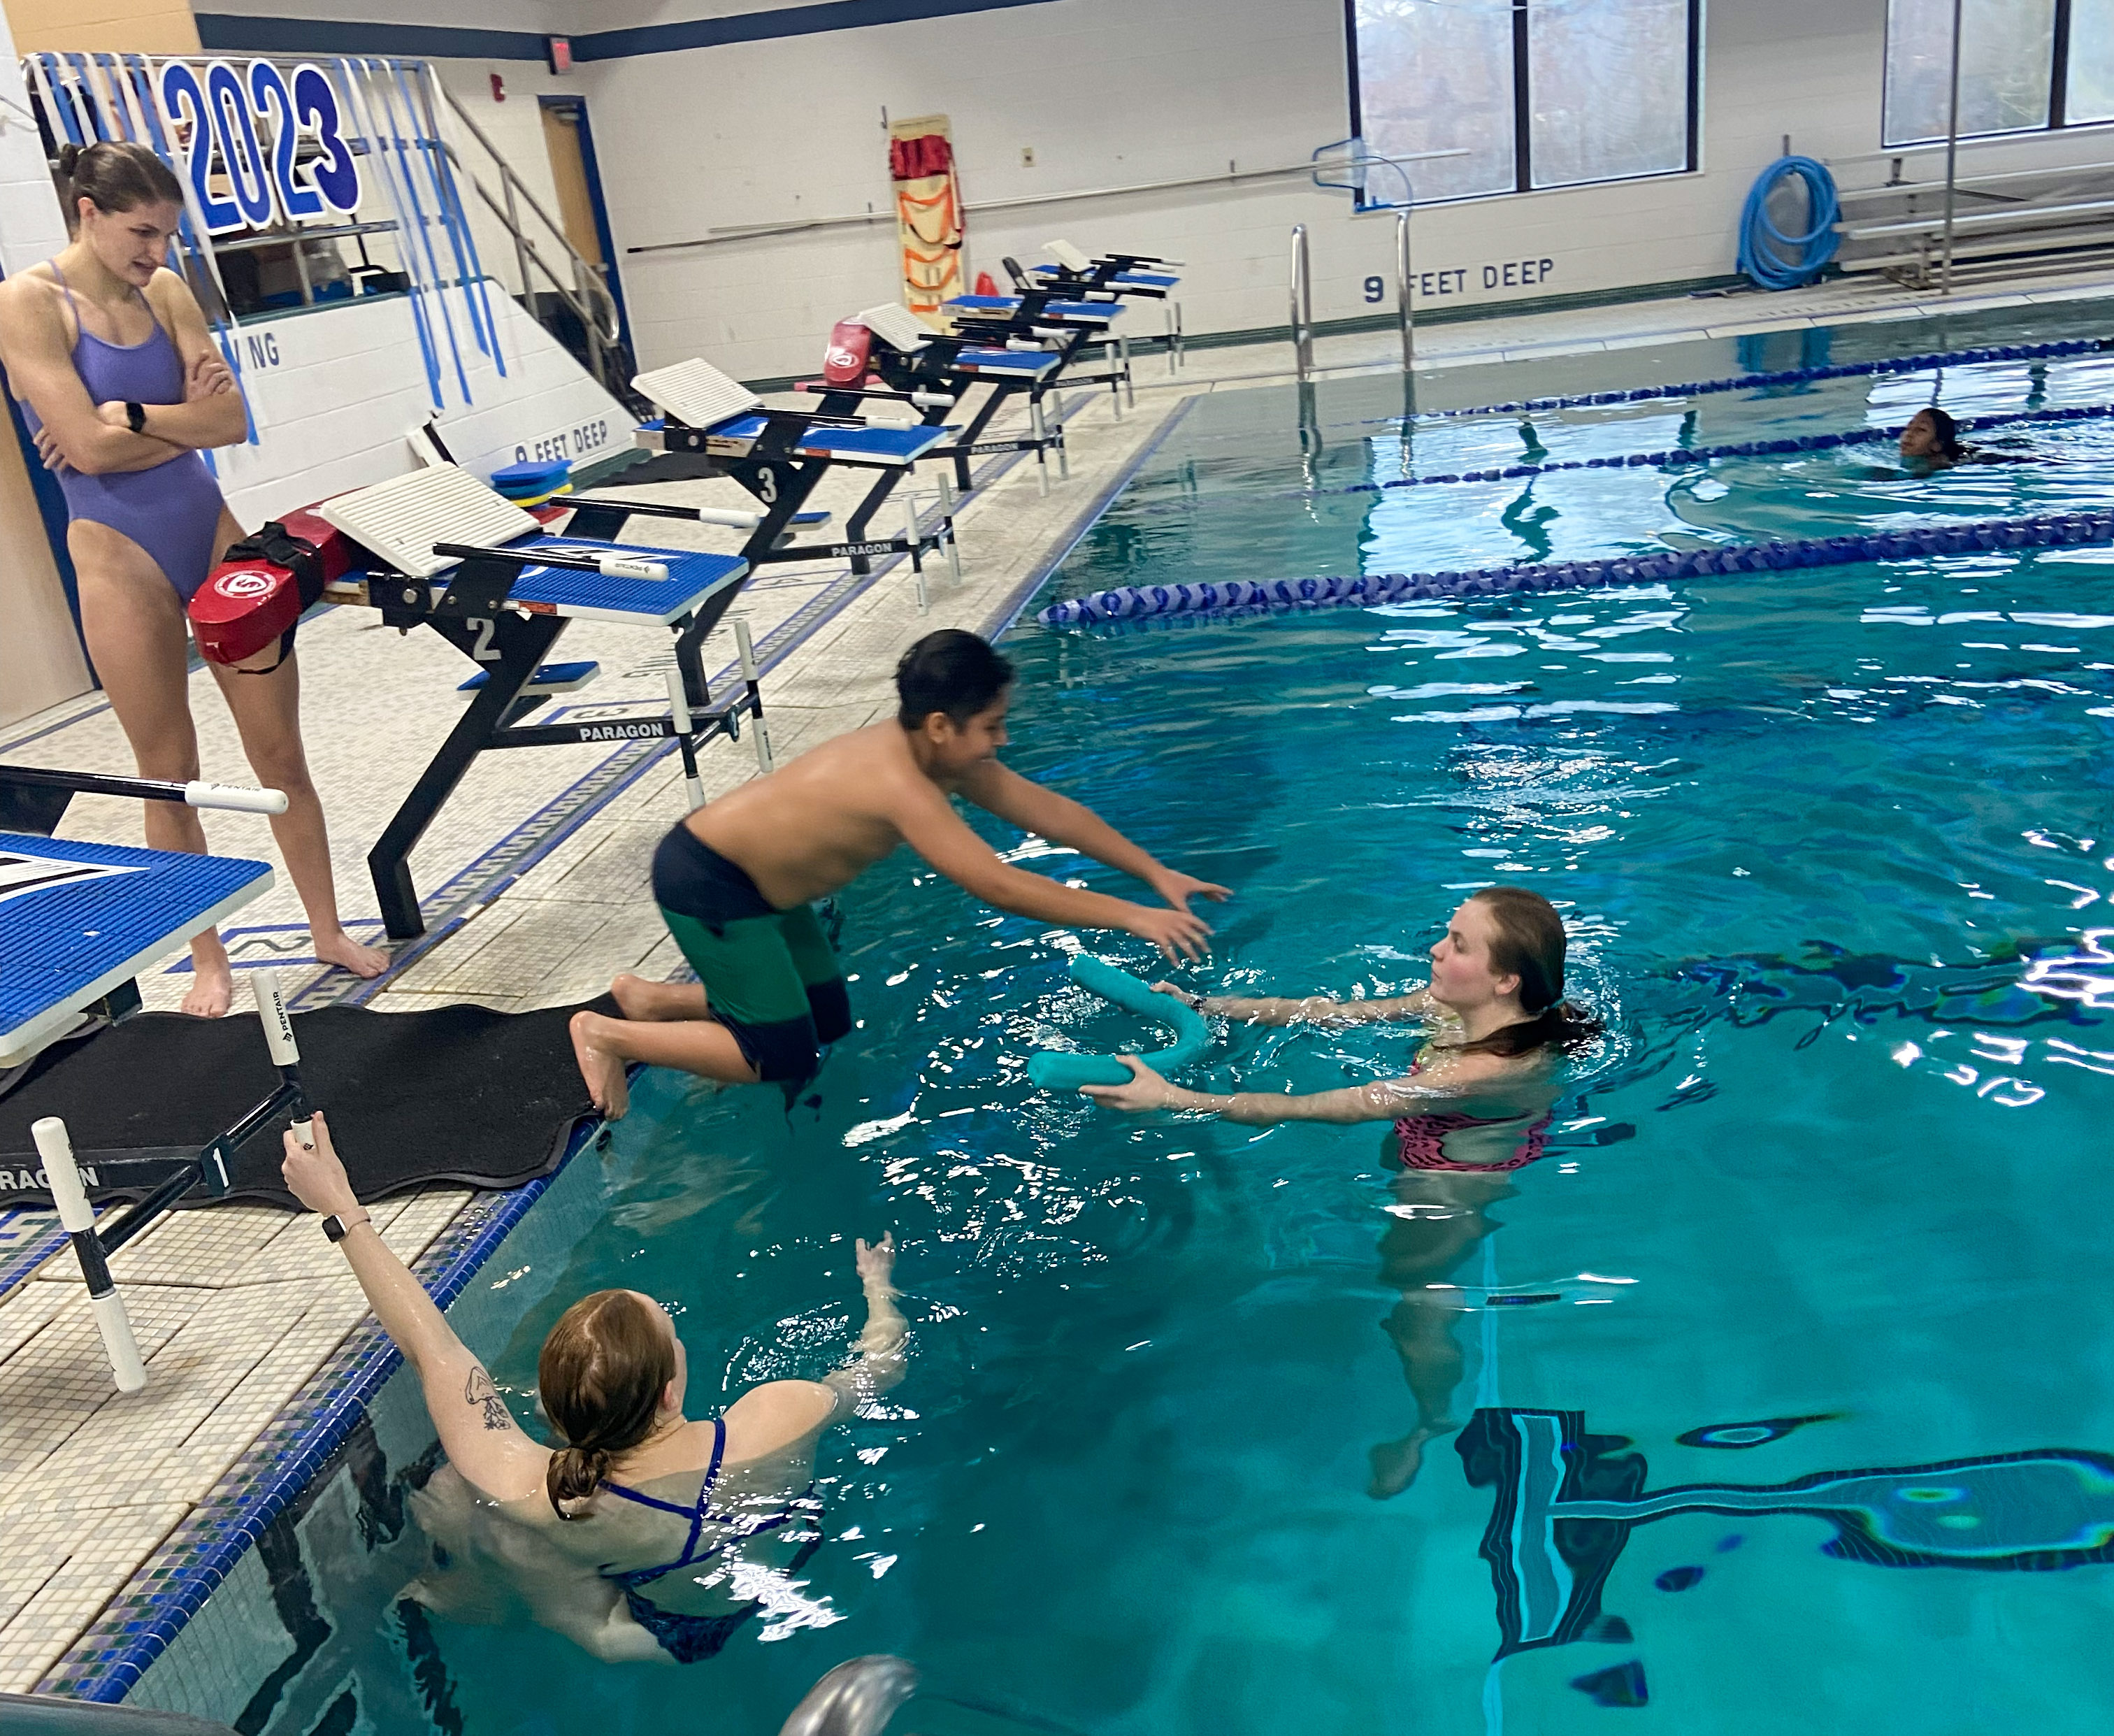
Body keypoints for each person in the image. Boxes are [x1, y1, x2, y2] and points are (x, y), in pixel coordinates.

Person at [279, 1112, 907, 1663]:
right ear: (669, 1391)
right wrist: (878, 1291)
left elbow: (435, 1350)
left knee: (467, 1500)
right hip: (794, 1571)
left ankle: (476, 1595)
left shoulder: (536, 1491)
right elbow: (882, 1369)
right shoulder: (782, 1412)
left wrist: (341, 1207)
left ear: (555, 1412)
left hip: (663, 1637)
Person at [0, 142, 385, 1014]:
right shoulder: (27, 303)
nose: (157, 255)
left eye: (168, 236)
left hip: (208, 530)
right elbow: (92, 454)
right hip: (114, 549)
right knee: (168, 772)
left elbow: (233, 419)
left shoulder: (165, 292)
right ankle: (209, 961)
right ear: (88, 211)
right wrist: (176, 421)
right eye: (142, 233)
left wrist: (132, 412)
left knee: (280, 753)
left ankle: (326, 928)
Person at [570, 629, 1230, 1117]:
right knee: (781, 1056)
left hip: (768, 892)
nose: (1002, 740)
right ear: (941, 725)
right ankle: (608, 1032)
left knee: (826, 1020)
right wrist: (1130, 914)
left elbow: (1051, 812)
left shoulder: (941, 758)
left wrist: (1153, 872)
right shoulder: (897, 782)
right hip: (714, 884)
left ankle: (652, 999)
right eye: (993, 725)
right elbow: (995, 883)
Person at [1078, 886, 1600, 1498]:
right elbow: (1327, 1012)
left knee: (1416, 1299)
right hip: (1423, 1139)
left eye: (1457, 943)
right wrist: (1207, 1004)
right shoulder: (1453, 1009)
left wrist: (1175, 1100)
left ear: (1506, 980)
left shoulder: (1479, 1070)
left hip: (1449, 1186)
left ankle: (1430, 1421)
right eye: (1446, 931)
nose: (1434, 949)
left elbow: (1325, 1107)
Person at [1897, 406, 2029, 470]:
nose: (1909, 434)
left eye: (1921, 430)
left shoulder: (1937, 460)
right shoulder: (1932, 451)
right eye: (1908, 428)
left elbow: (1918, 477)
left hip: (1982, 457)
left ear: (1936, 445)